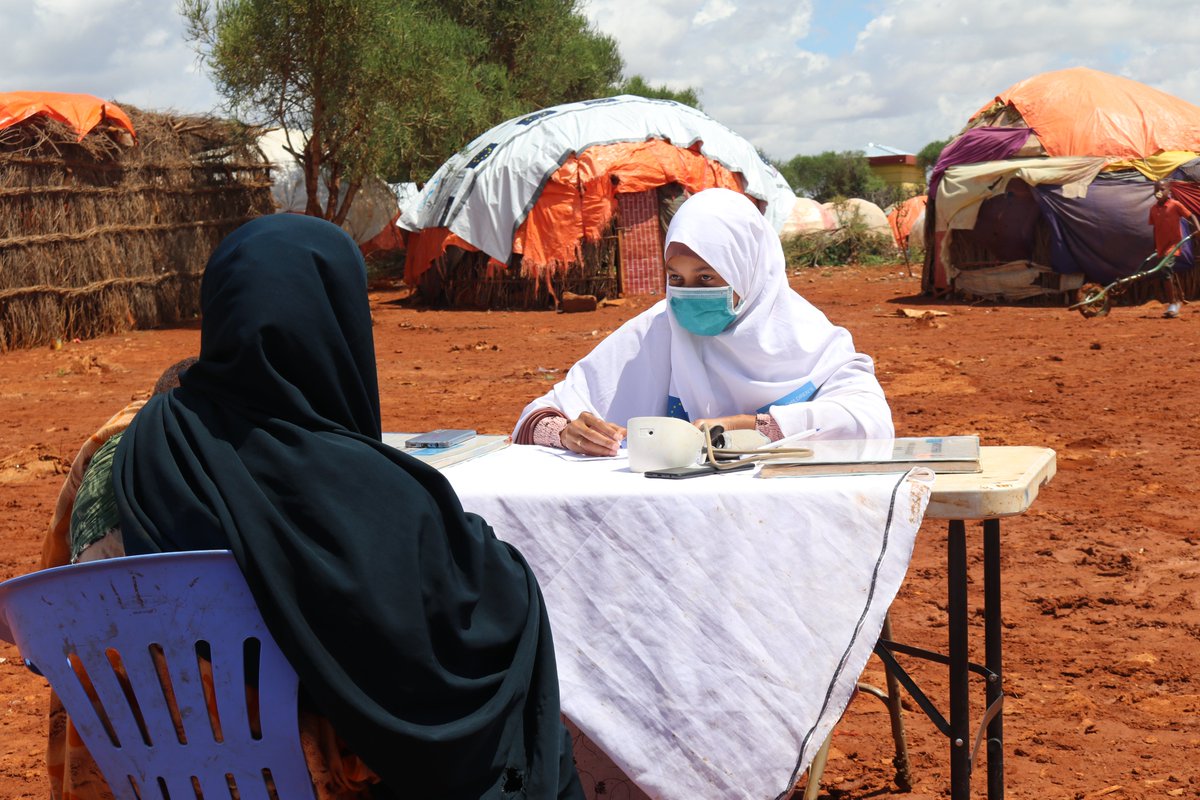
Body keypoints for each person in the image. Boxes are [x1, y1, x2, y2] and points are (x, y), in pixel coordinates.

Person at [48, 214, 581, 799]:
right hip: (299, 778)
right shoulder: (371, 492)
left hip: (139, 769)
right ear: (338, 325)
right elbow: (453, 648)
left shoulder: (113, 448)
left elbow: (51, 611)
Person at [513, 188, 893, 455]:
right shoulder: (656, 332)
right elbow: (538, 415)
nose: (688, 292)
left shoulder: (812, 342)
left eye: (707, 278)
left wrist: (746, 427)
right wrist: (567, 433)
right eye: (675, 278)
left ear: (749, 271)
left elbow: (870, 423)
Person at [1148, 180, 1198, 318]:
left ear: (1168, 191)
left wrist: (1198, 228)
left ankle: (1173, 303)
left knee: (1165, 269)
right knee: (1166, 273)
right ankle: (1177, 299)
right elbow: (1155, 229)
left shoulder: (1175, 205)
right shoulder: (1153, 209)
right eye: (1156, 190)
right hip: (1161, 247)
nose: (1159, 192)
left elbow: (1191, 215)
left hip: (1174, 245)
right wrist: (1155, 247)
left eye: (1162, 189)